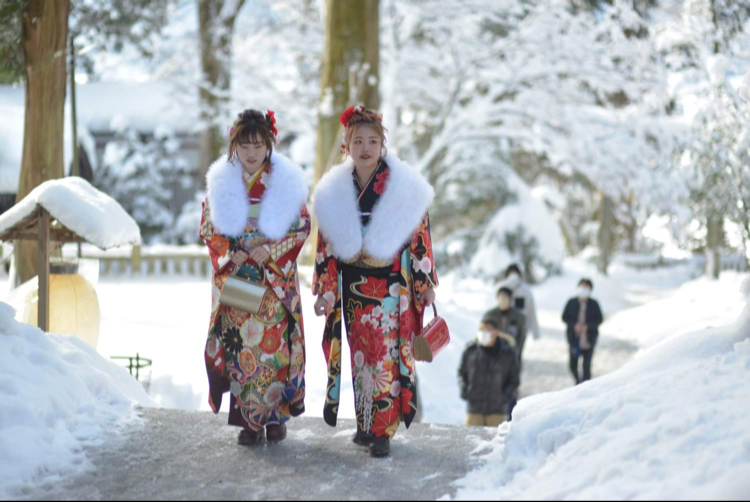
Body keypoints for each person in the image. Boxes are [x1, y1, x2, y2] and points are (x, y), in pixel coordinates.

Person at [312, 105, 438, 458]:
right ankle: (366, 423)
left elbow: (419, 235)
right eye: (358, 141)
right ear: (346, 146)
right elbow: (326, 245)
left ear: (383, 144)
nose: (365, 148)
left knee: (384, 358)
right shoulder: (335, 191)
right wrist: (325, 289)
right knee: (361, 358)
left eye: (372, 141)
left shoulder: (401, 187)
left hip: (389, 291)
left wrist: (424, 280)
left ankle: (382, 431)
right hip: (353, 290)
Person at [199, 109, 310, 445]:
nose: (251, 153)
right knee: (243, 351)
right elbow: (208, 227)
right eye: (245, 145)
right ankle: (250, 421)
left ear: (268, 145)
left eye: (258, 145)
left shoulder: (284, 182)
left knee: (273, 352)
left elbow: (302, 225)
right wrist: (230, 249)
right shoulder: (222, 181)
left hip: (271, 280)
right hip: (238, 277)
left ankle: (276, 418)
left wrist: (272, 250)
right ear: (234, 145)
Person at [458, 319, 520, 427]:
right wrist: (464, 389)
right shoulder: (470, 351)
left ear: (495, 332)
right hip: (474, 411)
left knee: (497, 442)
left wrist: (505, 397)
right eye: (481, 329)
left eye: (487, 330)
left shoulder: (508, 354)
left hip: (497, 413)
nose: (483, 333)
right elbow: (462, 373)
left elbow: (514, 380)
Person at [562, 278, 603, 385]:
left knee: (586, 367)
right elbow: (564, 317)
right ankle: (577, 381)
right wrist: (574, 325)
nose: (584, 289)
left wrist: (588, 326)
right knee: (572, 365)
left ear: (590, 289)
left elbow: (599, 319)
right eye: (582, 286)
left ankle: (586, 387)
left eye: (586, 287)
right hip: (574, 339)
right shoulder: (571, 302)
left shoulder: (594, 304)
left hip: (588, 340)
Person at [497, 264, 540, 363]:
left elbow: (531, 310)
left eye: (515, 274)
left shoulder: (525, 290)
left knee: (516, 354)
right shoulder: (502, 287)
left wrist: (535, 332)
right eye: (511, 274)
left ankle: (515, 375)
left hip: (520, 327)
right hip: (503, 326)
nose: (513, 276)